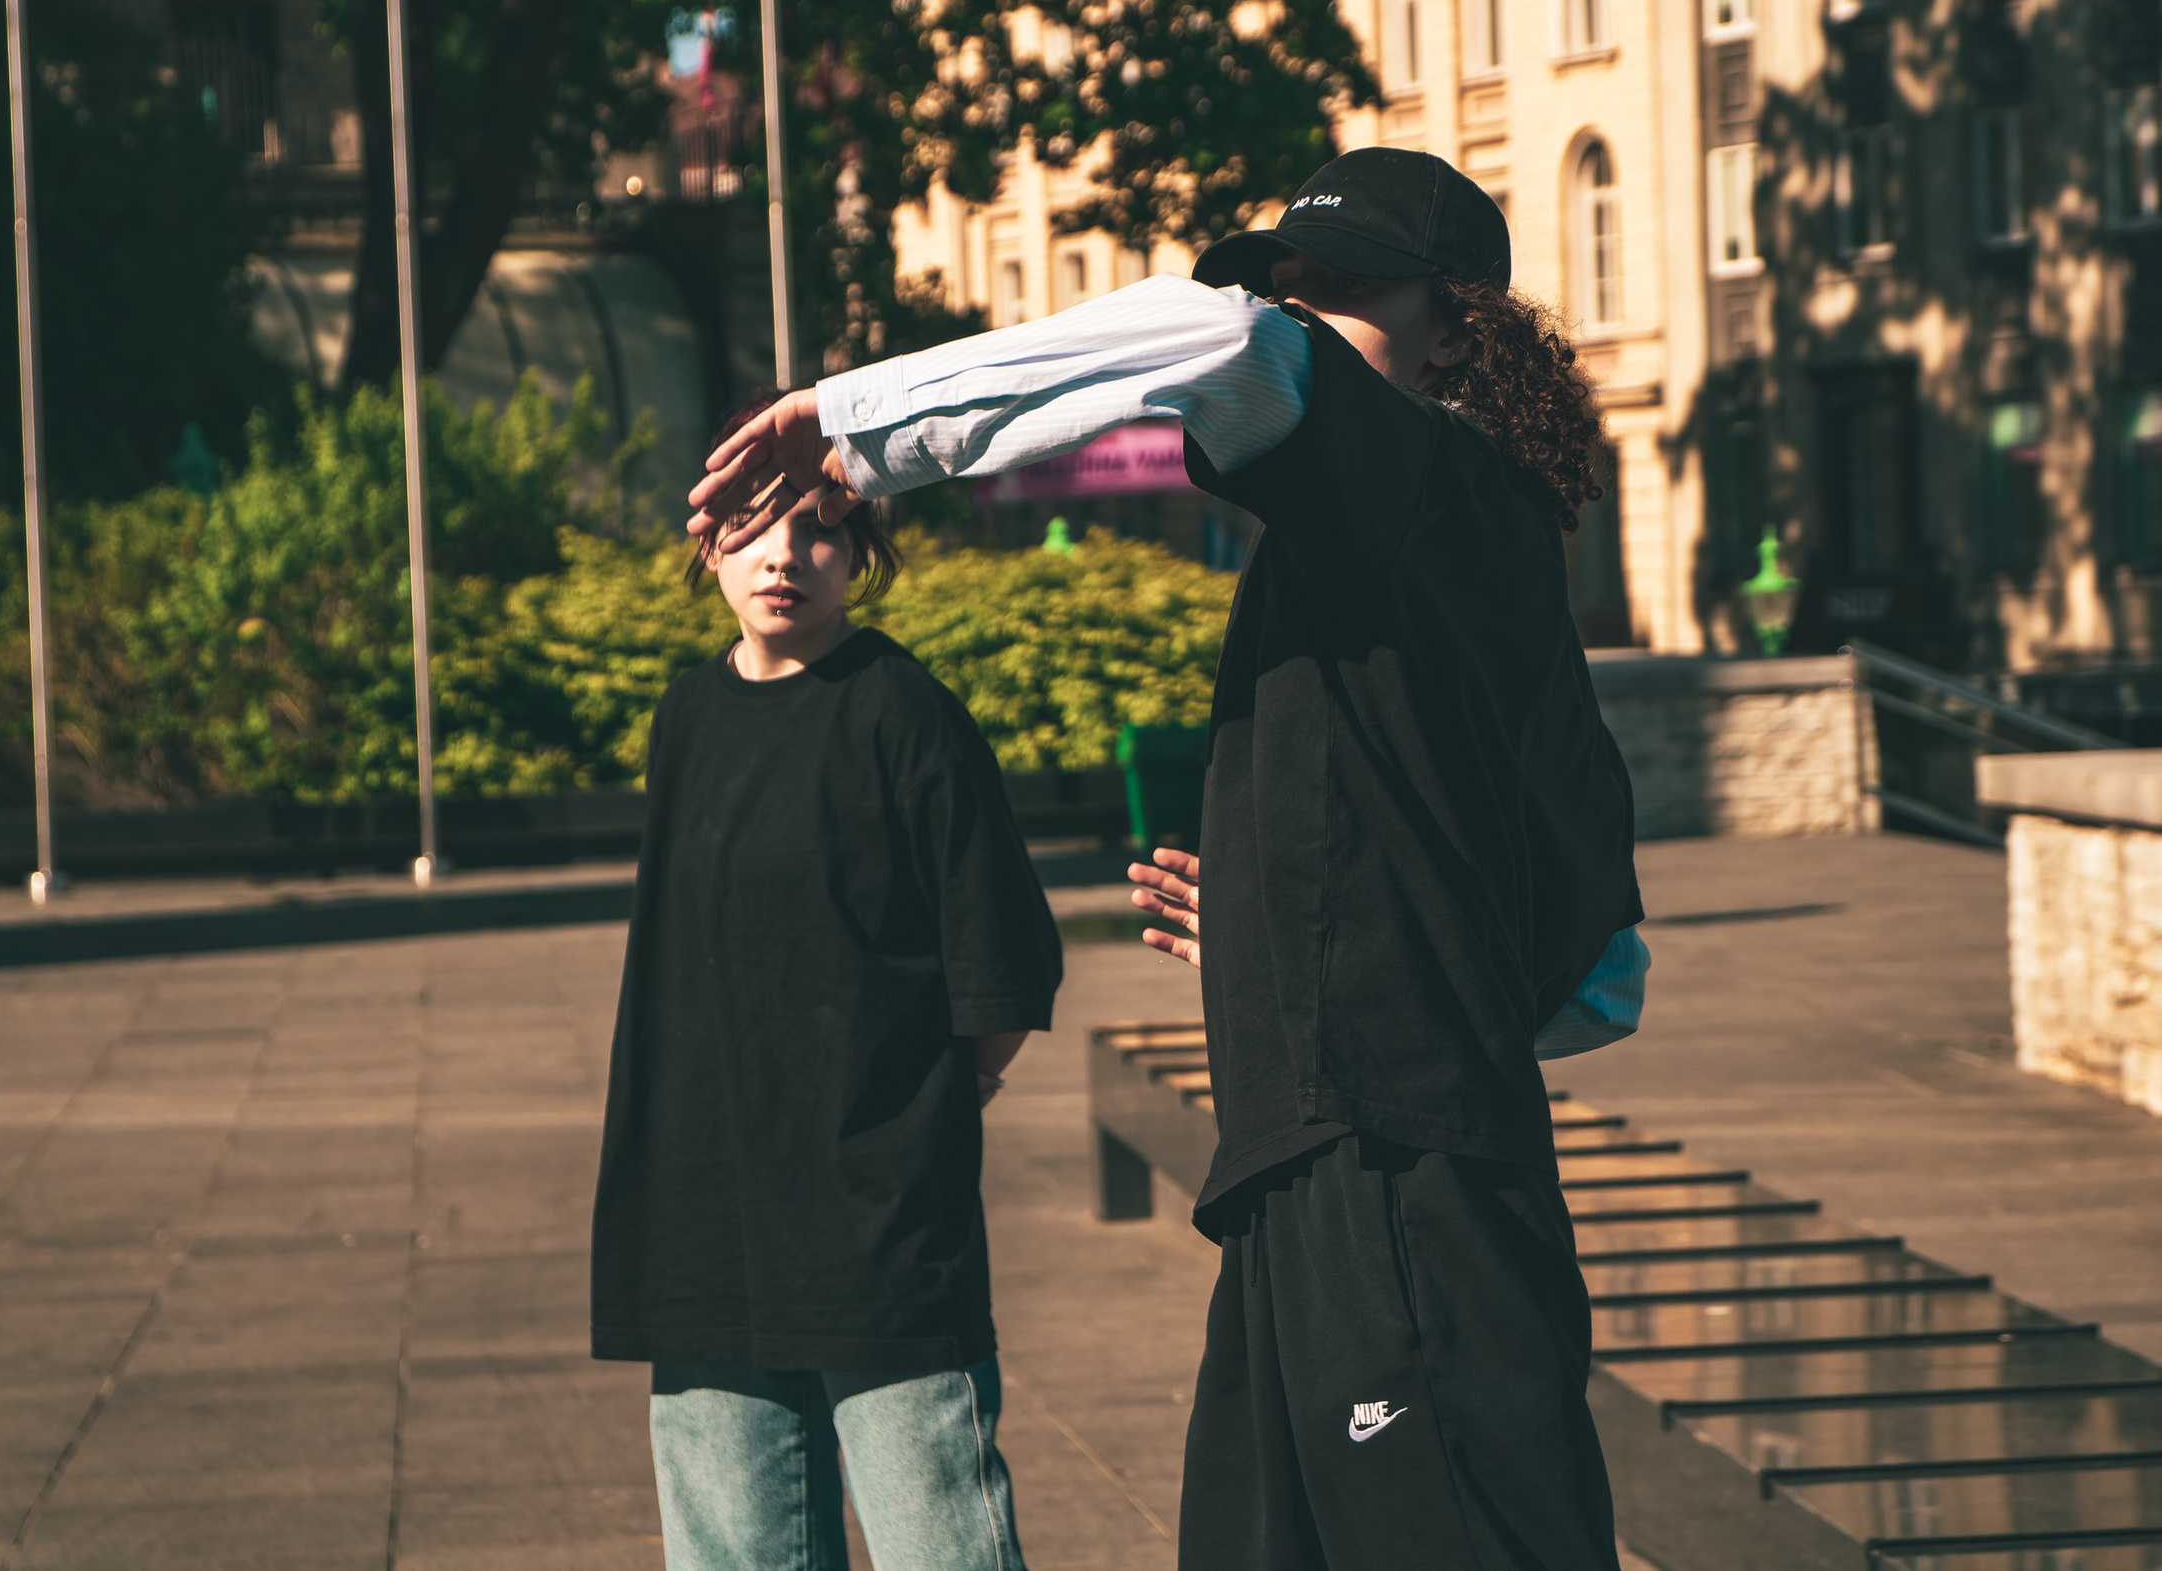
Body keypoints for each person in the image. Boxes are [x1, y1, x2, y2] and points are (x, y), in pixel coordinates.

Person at [687, 148, 1648, 1571]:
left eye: (1337, 293)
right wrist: (1305, 930)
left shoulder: (1419, 470)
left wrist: (847, 415)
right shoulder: (1467, 543)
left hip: (1391, 1175)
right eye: (1290, 285)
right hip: (1337, 1161)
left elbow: (1215, 334)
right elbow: (1600, 968)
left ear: (1457, 326)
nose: (1295, 312)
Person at [590, 393, 1061, 1571]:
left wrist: (915, 1126)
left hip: (879, 1225)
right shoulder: (688, 718)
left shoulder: (909, 719)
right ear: (708, 549)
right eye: (751, 530)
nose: (782, 559)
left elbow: (1002, 974)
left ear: (860, 554)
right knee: (732, 1551)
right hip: (700, 1213)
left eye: (815, 530)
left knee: (937, 1542)